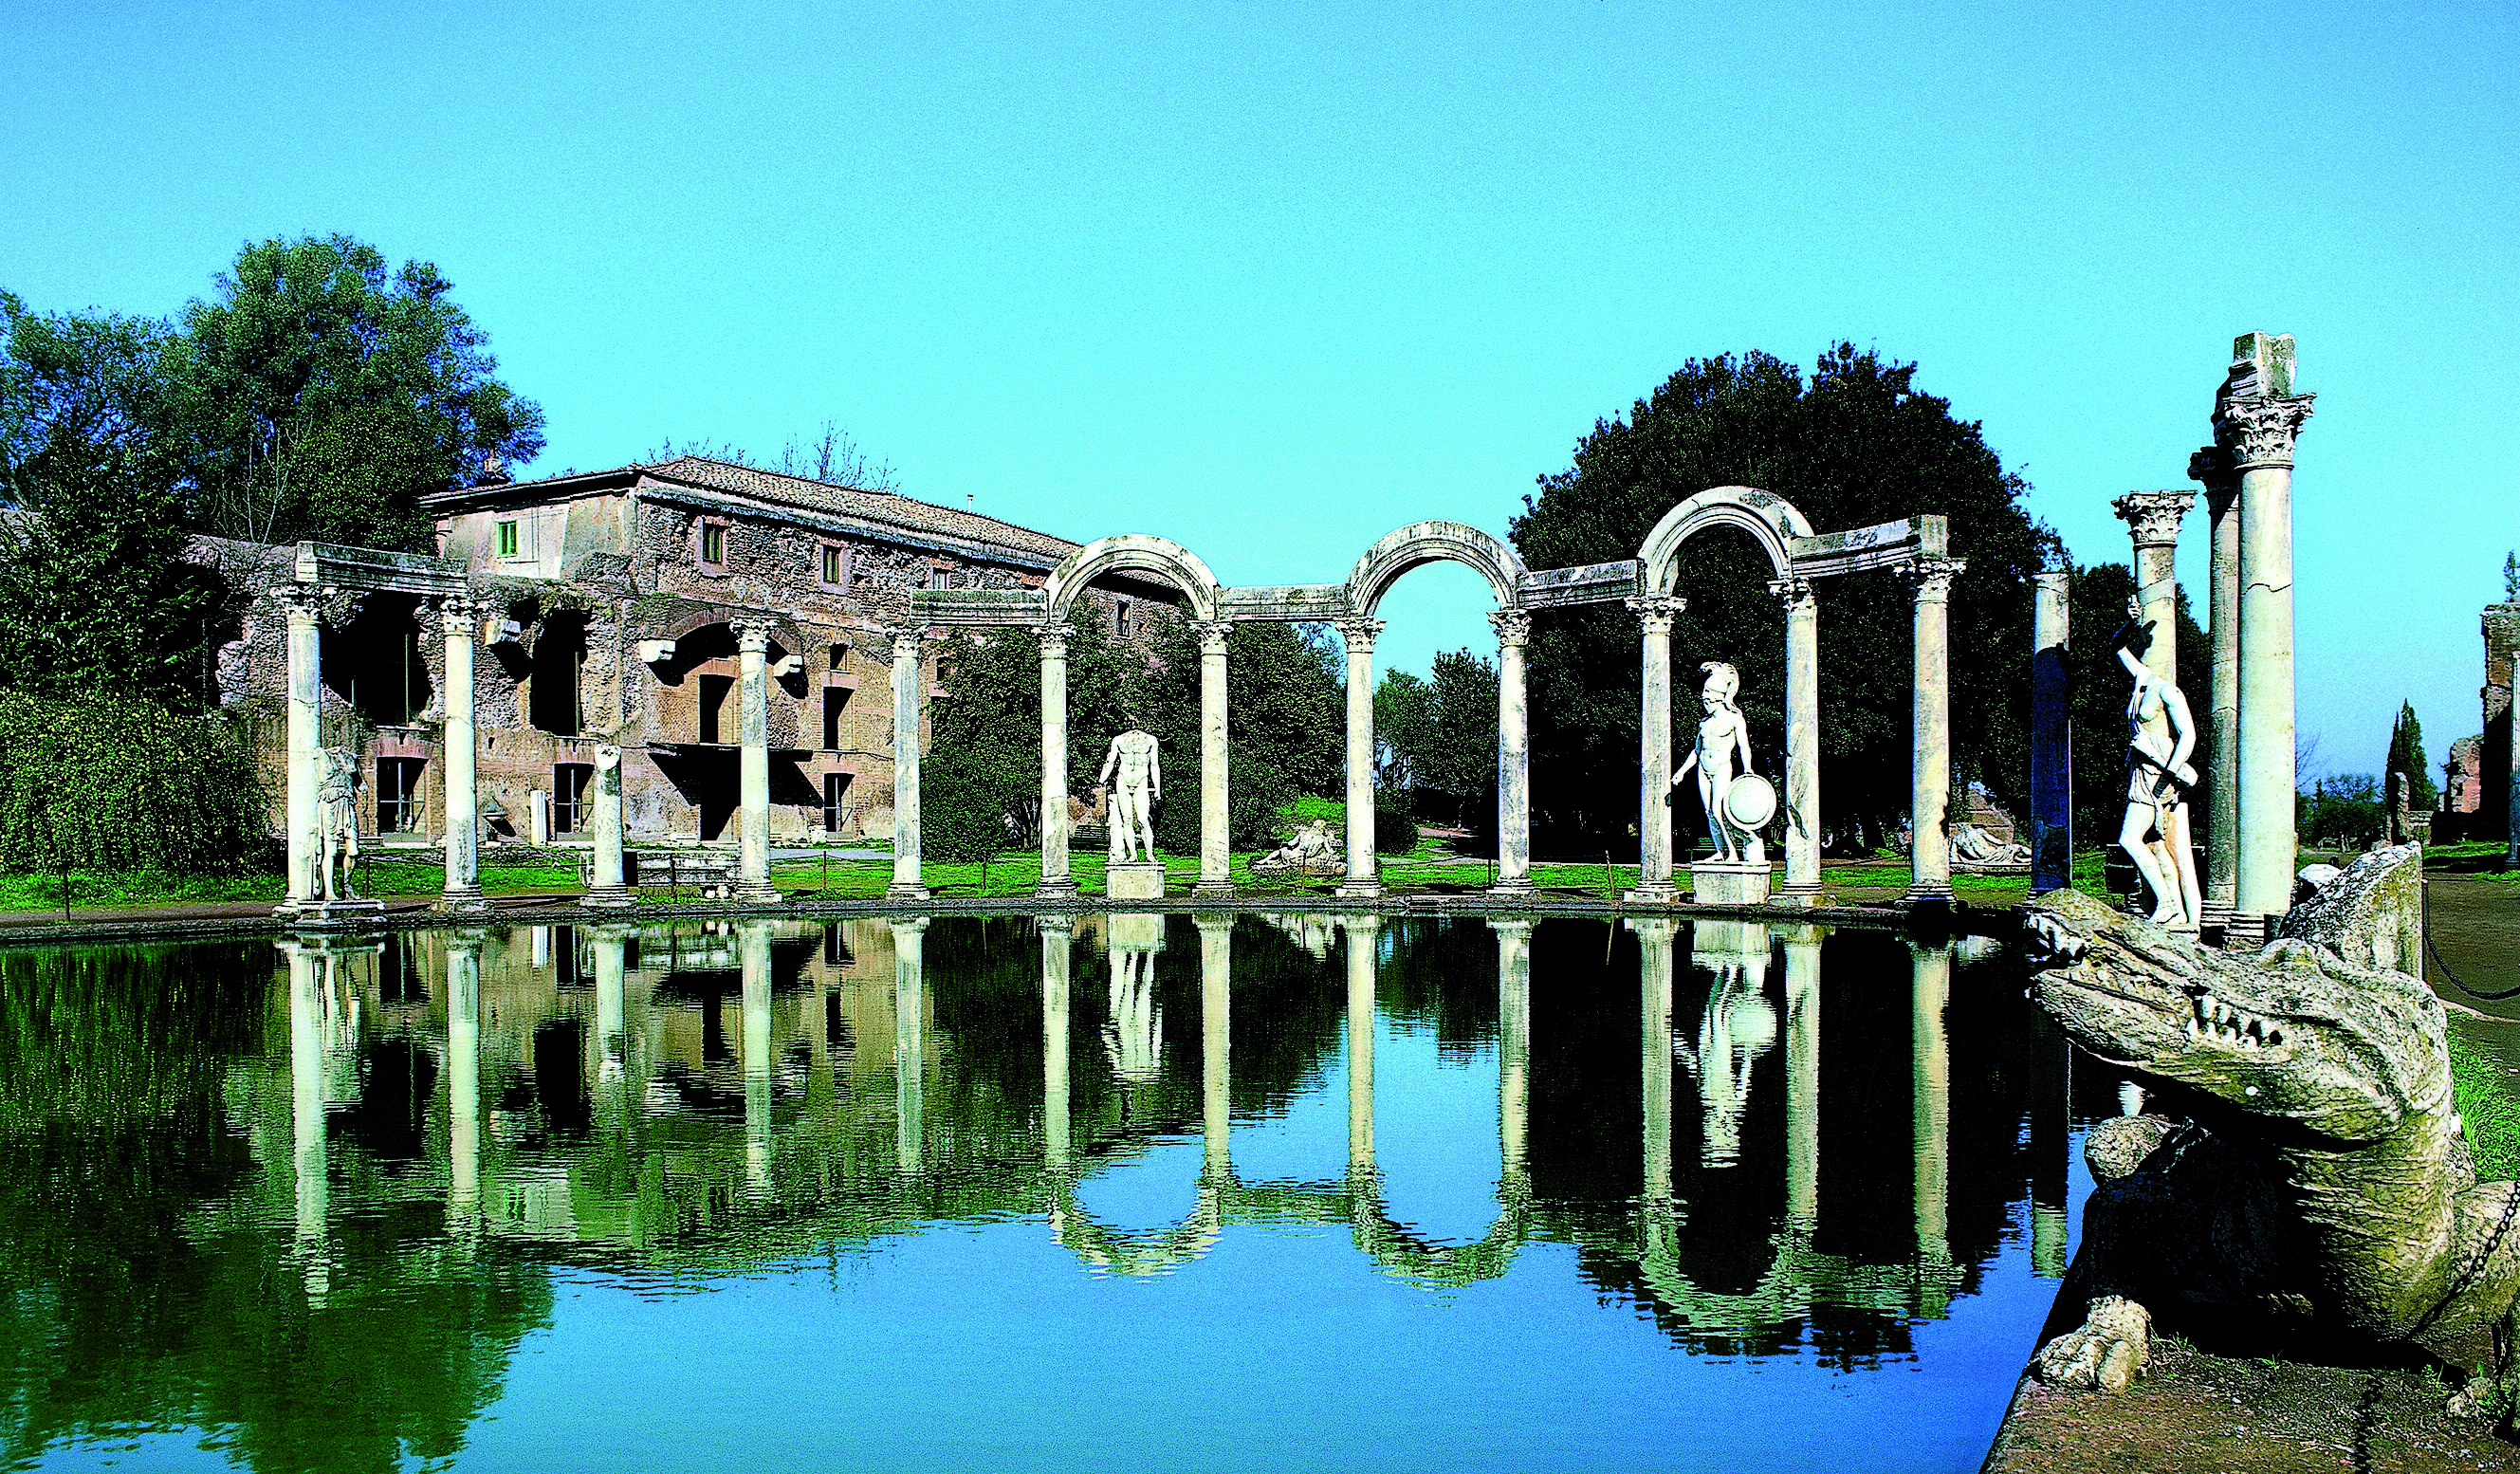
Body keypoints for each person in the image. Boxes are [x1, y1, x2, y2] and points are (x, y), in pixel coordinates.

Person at [2114, 597, 2201, 931]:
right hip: (2140, 769)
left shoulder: (2169, 691)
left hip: (2158, 771)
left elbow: (2188, 735)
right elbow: (2116, 647)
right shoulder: (2142, 679)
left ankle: (2167, 904)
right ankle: (2174, 911)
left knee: (2129, 838)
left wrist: (2169, 772)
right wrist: (2131, 623)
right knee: (2156, 846)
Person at [1671, 662, 1761, 862]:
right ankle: (1721, 851)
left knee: (1719, 811)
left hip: (1721, 767)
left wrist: (1747, 768)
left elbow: (1743, 746)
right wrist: (1682, 771)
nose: (1705, 700)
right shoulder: (1704, 723)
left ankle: (1733, 852)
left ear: (1719, 698)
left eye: (1708, 697)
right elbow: (1697, 751)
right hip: (1703, 768)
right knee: (1709, 813)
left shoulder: (1734, 719)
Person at [1097, 728, 1162, 863]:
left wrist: (1157, 788)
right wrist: (1101, 780)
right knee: (1127, 820)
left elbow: (1154, 765)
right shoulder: (1118, 740)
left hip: (1141, 780)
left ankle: (1150, 854)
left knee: (1143, 820)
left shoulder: (1150, 740)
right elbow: (1110, 761)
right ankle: (1133, 855)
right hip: (1123, 780)